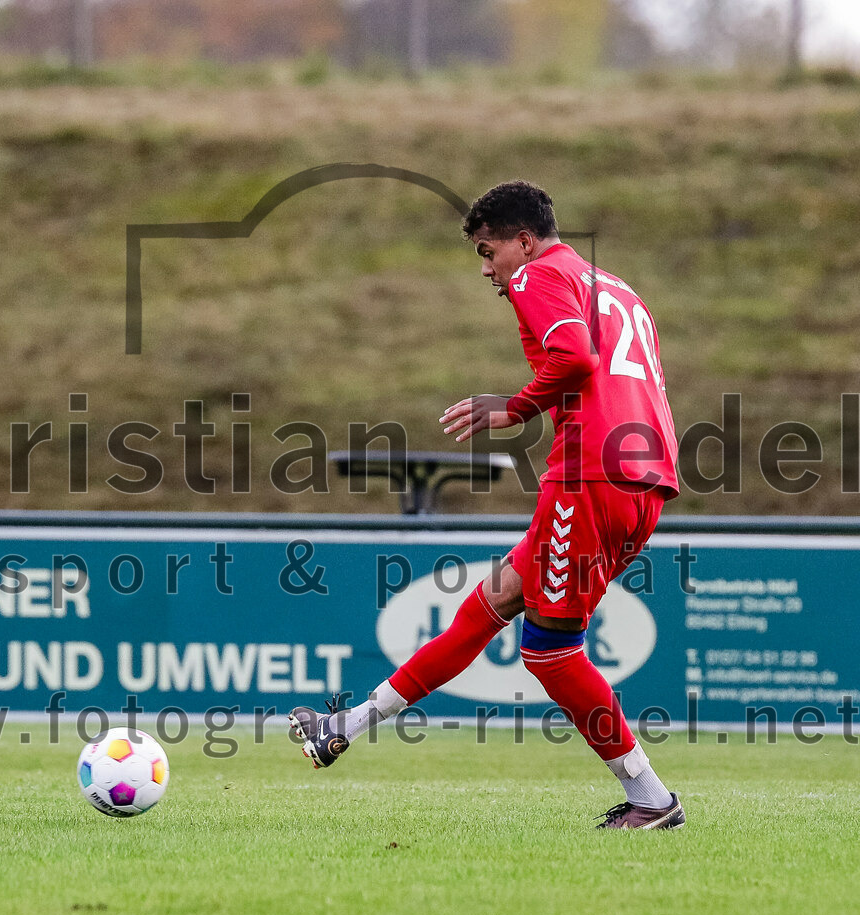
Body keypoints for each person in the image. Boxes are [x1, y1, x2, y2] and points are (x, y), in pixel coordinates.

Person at [289, 180, 684, 830]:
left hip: (589, 477)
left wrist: (516, 406)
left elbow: (577, 359)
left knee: (551, 651)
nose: (487, 269)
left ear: (523, 241)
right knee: (487, 606)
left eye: (488, 250)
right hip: (644, 479)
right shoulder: (618, 289)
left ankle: (651, 798)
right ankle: (344, 726)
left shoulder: (539, 275)